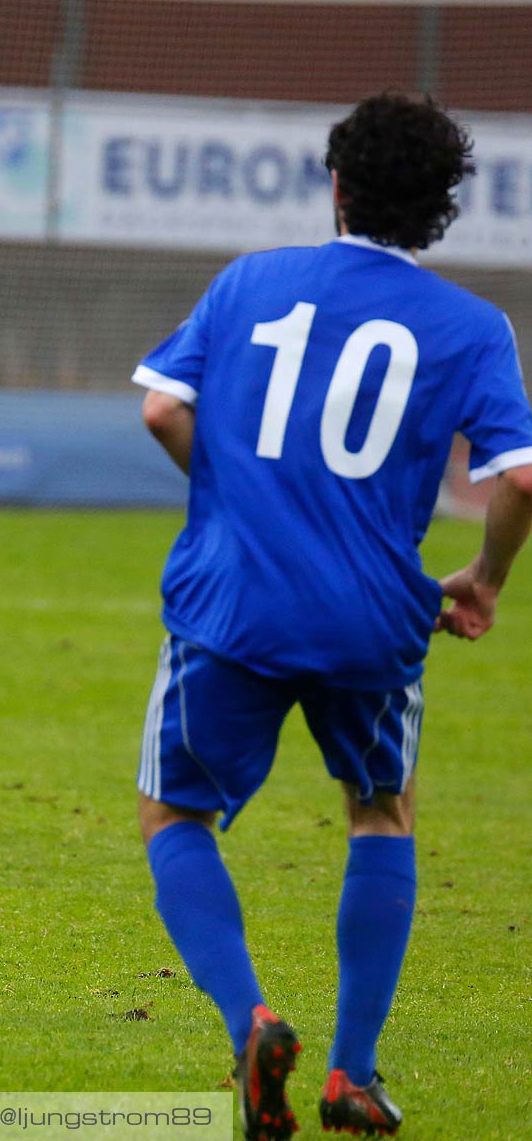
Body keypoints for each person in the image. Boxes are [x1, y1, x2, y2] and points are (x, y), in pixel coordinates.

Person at [132, 91, 532, 1139]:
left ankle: (251, 1018)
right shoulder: (472, 327)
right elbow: (521, 482)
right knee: (379, 811)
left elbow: (161, 407)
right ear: (442, 209)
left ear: (339, 185)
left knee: (175, 814)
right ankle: (351, 1075)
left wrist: (231, 501)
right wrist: (484, 578)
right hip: (373, 620)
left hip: (232, 605)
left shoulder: (250, 282)